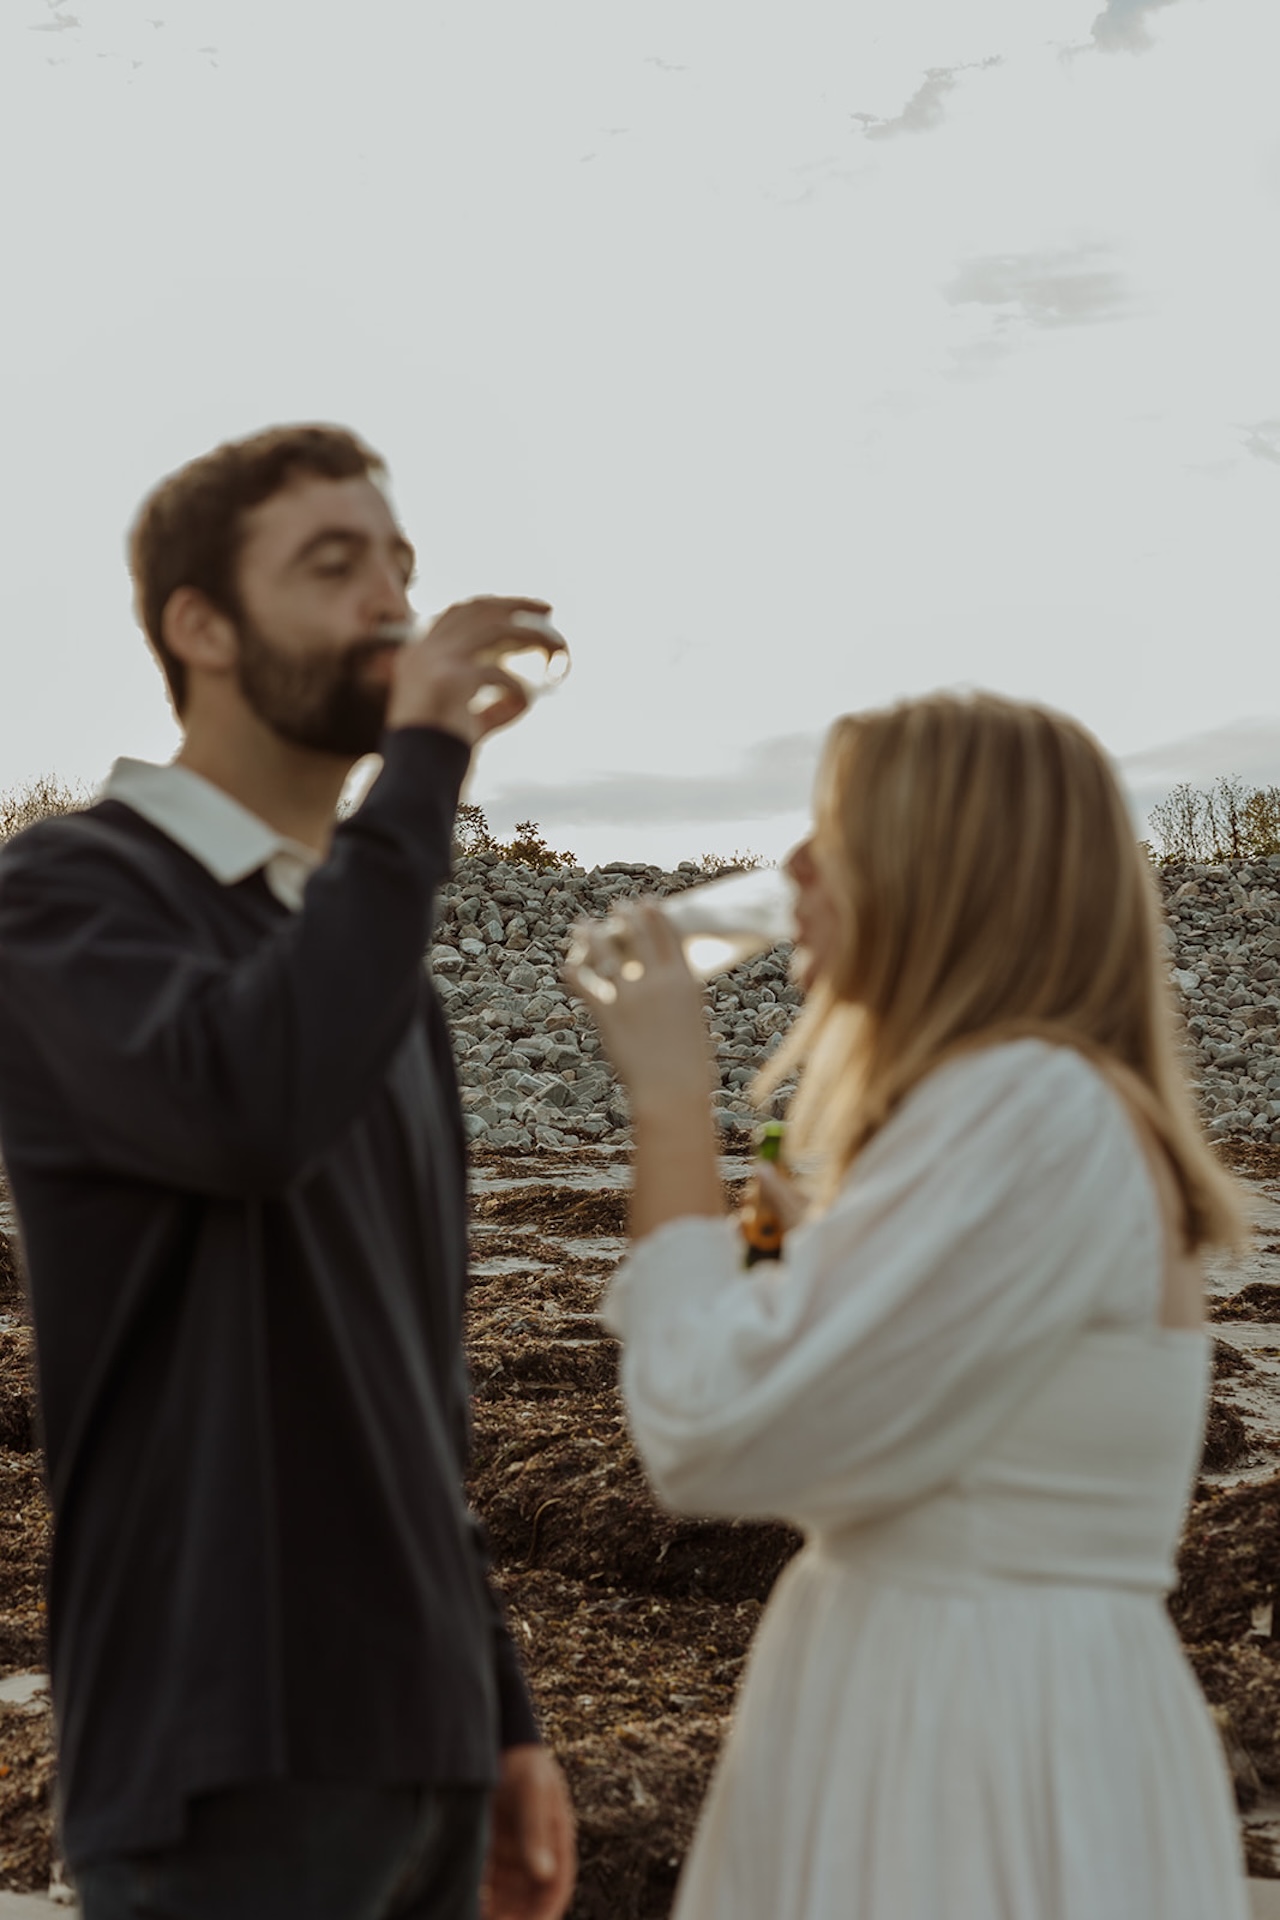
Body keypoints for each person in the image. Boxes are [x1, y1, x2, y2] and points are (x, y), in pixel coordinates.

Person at [0, 425, 575, 1920]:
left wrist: (499, 1715)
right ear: (201, 626)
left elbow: (412, 1377)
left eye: (402, 568)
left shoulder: (376, 975)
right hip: (224, 1742)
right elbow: (247, 1106)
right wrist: (431, 767)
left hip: (423, 1739)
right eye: (335, 568)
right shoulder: (68, 897)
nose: (392, 606)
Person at [567, 692, 1250, 1920]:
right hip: (968, 1708)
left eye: (834, 832)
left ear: (946, 872)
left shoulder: (1032, 1109)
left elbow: (712, 1436)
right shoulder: (1028, 1109)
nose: (791, 870)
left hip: (971, 1748)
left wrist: (669, 1106)